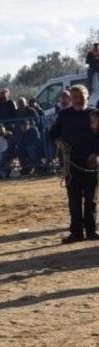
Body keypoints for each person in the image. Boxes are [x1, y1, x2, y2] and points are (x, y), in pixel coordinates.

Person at [48, 85, 99, 243]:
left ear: (87, 96)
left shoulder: (95, 114)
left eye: (81, 96)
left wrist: (96, 153)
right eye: (75, 97)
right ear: (71, 98)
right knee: (74, 199)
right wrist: (58, 142)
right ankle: (76, 232)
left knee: (91, 199)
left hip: (91, 163)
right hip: (71, 163)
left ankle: (91, 231)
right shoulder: (64, 115)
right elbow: (52, 134)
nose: (78, 99)